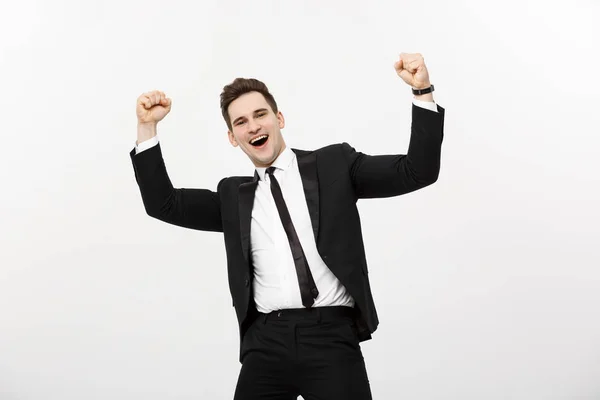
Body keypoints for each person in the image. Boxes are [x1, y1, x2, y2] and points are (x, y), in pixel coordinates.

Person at [129, 52, 444, 399]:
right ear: (233, 137)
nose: (253, 126)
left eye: (261, 114)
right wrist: (148, 127)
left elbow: (417, 171)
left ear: (279, 118)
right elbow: (164, 204)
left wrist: (422, 91)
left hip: (331, 338)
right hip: (266, 343)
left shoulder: (334, 165)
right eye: (241, 122)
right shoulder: (233, 196)